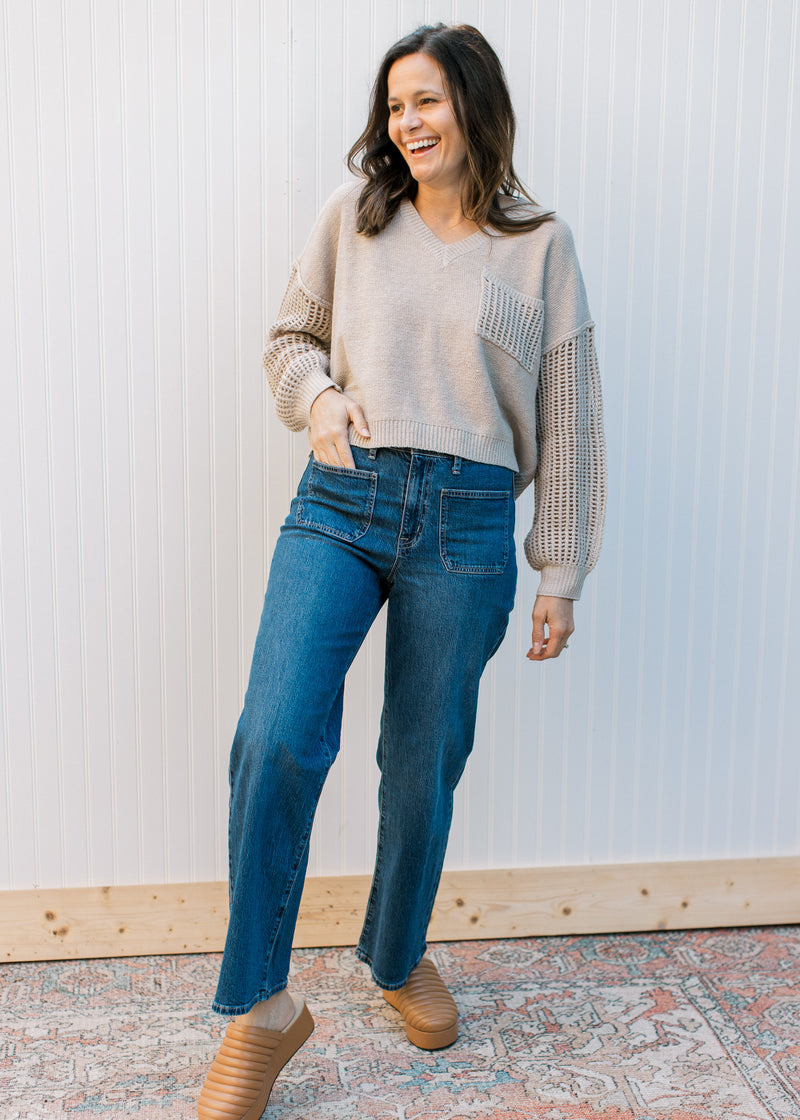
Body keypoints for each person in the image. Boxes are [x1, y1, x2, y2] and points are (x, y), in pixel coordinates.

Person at [197, 21, 606, 1120]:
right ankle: (261, 1007)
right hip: (342, 499)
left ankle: (392, 953)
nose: (407, 124)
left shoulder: (538, 247)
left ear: (473, 106)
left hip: (467, 522)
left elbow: (566, 421)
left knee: (419, 766)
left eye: (425, 101)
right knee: (274, 734)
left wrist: (558, 570)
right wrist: (318, 400)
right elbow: (290, 337)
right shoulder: (355, 219)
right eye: (393, 107)